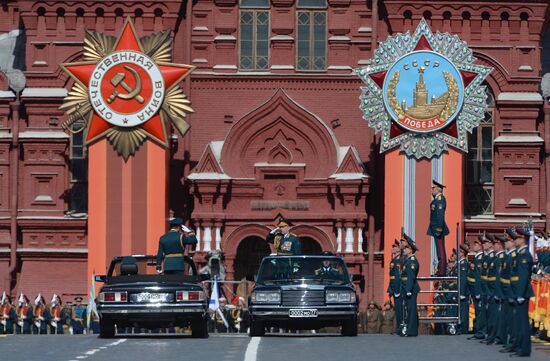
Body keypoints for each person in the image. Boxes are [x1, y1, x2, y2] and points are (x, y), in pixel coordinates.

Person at [509, 228, 534, 357]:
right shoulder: (520, 254)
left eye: (517, 238)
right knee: (519, 321)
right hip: (519, 292)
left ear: (523, 239)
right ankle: (520, 346)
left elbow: (523, 277)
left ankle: (524, 349)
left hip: (522, 293)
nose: (515, 240)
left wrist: (519, 294)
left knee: (523, 322)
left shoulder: (525, 255)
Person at [500, 228, 518, 353]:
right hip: (505, 291)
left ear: (512, 242)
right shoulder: (508, 257)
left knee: (512, 320)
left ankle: (513, 343)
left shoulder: (514, 257)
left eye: (507, 241)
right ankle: (509, 342)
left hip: (511, 292)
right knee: (508, 319)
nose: (505, 243)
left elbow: (514, 278)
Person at [427, 180, 449, 276]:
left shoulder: (440, 200)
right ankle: (440, 270)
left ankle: (441, 271)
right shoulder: (436, 200)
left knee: (441, 251)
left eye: (433, 188)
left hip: (438, 230)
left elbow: (440, 216)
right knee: (439, 251)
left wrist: (439, 229)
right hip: (435, 228)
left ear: (438, 189)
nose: (432, 190)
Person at [400, 233, 419, 337]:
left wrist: (408, 290)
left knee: (411, 310)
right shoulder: (408, 261)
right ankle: (411, 329)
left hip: (410, 289)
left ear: (411, 250)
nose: (405, 250)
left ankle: (412, 331)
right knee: (410, 309)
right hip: (407, 287)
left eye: (406, 248)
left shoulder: (412, 262)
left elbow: (411, 277)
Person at [467, 236, 486, 340]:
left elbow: (478, 277)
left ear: (480, 246)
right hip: (474, 290)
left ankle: (480, 332)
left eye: (476, 244)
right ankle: (478, 331)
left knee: (480, 312)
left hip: (478, 290)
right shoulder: (476, 258)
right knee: (478, 311)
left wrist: (478, 291)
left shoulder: (480, 259)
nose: (473, 246)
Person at [481, 233, 497, 344]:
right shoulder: (486, 256)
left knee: (492, 314)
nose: (483, 244)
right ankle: (489, 334)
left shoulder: (493, 257)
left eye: (485, 242)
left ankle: (493, 335)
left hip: (491, 289)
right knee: (488, 313)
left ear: (491, 244)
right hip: (486, 288)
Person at [387, 240, 403, 334]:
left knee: (400, 309)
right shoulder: (394, 260)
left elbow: (398, 277)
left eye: (394, 247)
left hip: (398, 289)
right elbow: (391, 277)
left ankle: (400, 327)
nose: (392, 248)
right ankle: (398, 327)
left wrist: (397, 290)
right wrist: (390, 290)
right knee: (397, 309)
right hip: (394, 288)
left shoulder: (399, 261)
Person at [458, 244, 470, 334]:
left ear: (463, 253)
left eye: (459, 251)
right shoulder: (460, 263)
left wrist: (462, 292)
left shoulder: (464, 264)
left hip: (463, 292)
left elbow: (463, 279)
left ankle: (463, 329)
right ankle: (461, 328)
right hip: (460, 291)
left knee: (463, 312)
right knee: (461, 311)